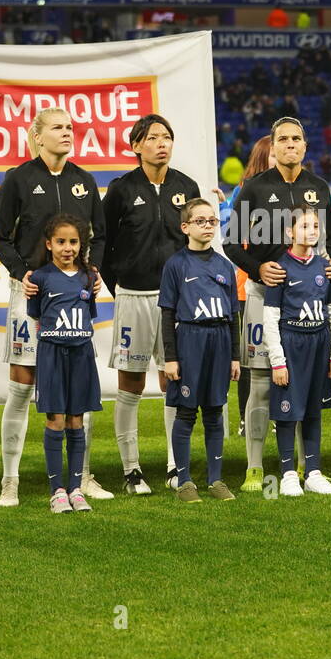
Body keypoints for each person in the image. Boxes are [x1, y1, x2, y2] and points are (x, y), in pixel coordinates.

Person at [0, 107, 107, 505]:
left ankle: (82, 477)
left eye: (71, 127)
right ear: (37, 136)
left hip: (74, 298)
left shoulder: (83, 181)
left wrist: (94, 271)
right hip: (31, 296)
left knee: (78, 387)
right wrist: (22, 272)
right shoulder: (18, 179)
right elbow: (0, 238)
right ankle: (11, 479)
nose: (67, 133)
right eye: (58, 127)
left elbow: (101, 236)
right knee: (22, 386)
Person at [223, 116, 331, 492]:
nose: (291, 144)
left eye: (297, 138)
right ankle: (255, 467)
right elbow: (229, 243)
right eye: (283, 139)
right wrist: (257, 269)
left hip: (310, 301)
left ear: (306, 146)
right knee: (260, 381)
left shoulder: (318, 188)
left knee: (305, 380)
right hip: (264, 298)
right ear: (272, 147)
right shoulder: (256, 188)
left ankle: (309, 468)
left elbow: (330, 241)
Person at [101, 114, 200, 495]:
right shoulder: (122, 189)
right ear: (136, 145)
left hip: (176, 302)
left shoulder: (185, 187)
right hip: (133, 297)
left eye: (167, 137)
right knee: (131, 383)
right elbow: (105, 245)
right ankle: (132, 470)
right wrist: (121, 286)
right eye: (153, 137)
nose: (162, 143)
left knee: (173, 379)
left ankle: (176, 466)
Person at [160, 198, 241, 503]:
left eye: (212, 221)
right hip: (190, 340)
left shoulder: (223, 265)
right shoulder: (176, 265)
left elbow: (233, 315)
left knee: (214, 411)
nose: (208, 226)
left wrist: (234, 356)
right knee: (185, 412)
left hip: (219, 340)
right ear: (185, 227)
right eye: (200, 221)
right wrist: (171, 357)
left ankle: (216, 480)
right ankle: (184, 482)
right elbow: (167, 315)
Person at [264, 202, 331, 497]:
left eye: (315, 226)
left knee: (313, 410)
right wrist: (278, 361)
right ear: (289, 231)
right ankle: (286, 473)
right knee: (287, 412)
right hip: (291, 344)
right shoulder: (280, 268)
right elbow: (270, 317)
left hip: (319, 344)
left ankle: (313, 472)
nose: (311, 232)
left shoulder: (326, 267)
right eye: (304, 226)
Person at [28, 214, 101, 514]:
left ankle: (75, 488)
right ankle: (57, 490)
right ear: (49, 244)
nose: (67, 248)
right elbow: (36, 315)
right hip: (52, 355)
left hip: (82, 354)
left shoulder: (89, 278)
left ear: (81, 244)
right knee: (55, 420)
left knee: (76, 421)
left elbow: (89, 313)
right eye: (61, 242)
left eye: (73, 242)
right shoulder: (40, 278)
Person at [219, 134, 271, 465]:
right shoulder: (248, 191)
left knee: (272, 355)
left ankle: (275, 416)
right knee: (250, 357)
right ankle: (244, 417)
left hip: (274, 286)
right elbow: (234, 237)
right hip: (246, 284)